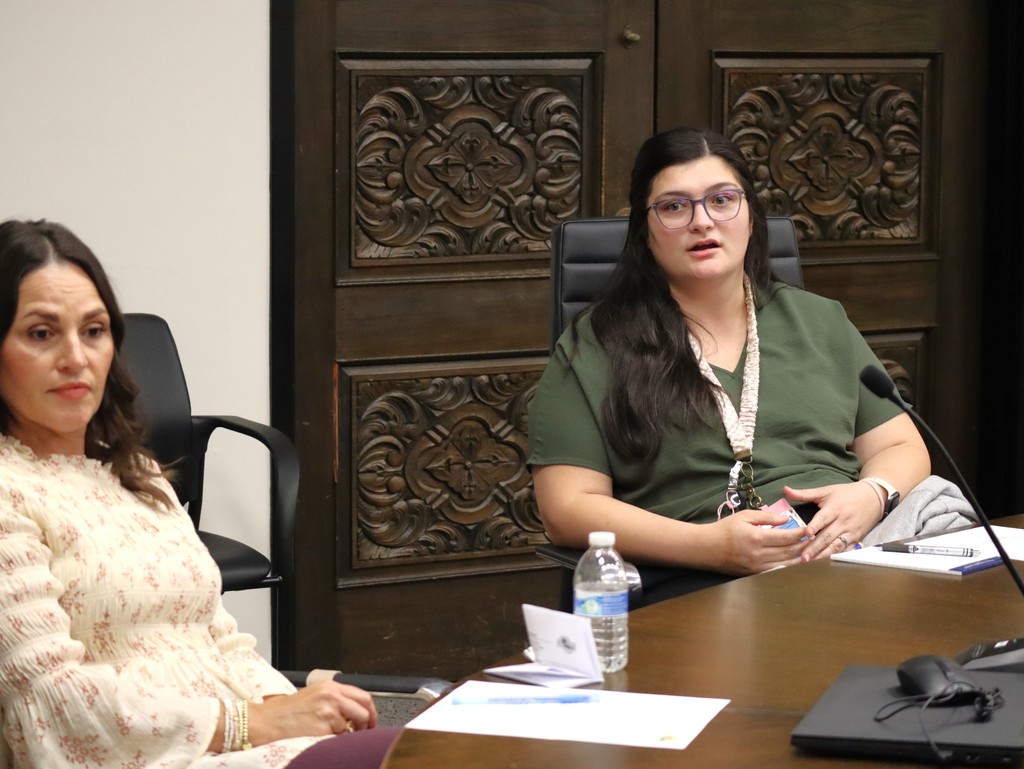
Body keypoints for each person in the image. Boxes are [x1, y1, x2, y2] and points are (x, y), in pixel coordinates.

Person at [0, 219, 401, 769]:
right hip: (140, 758)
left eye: (93, 331)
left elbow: (218, 638)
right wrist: (250, 723)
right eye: (41, 333)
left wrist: (292, 706)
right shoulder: (8, 490)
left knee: (463, 740)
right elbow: (53, 699)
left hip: (236, 741)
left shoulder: (134, 472)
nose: (76, 357)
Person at [528, 127, 935, 580]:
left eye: (721, 200)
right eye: (674, 207)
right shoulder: (596, 345)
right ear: (645, 233)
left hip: (853, 551)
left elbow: (902, 446)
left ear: (751, 216)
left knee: (946, 524)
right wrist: (708, 547)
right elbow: (565, 508)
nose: (702, 222)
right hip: (700, 577)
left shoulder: (819, 320)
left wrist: (873, 494)